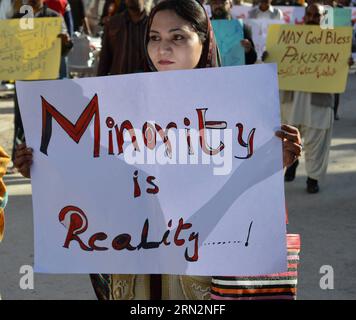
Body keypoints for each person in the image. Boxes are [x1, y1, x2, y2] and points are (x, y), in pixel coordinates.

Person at [14, 0, 302, 300]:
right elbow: (101, 177)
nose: (162, 49)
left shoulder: (237, 110)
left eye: (177, 37)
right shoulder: (123, 108)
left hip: (202, 271)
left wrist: (273, 164)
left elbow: (244, 199)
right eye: (154, 38)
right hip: (137, 262)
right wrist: (46, 168)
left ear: (204, 41)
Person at [281, 2, 353, 193]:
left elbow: (340, 66)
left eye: (317, 15)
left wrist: (346, 62)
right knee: (290, 135)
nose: (312, 18)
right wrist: (270, 55)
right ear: (304, 16)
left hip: (319, 101)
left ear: (323, 17)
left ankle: (313, 178)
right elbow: (276, 59)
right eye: (309, 15)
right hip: (293, 99)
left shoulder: (333, 40)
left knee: (318, 142)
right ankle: (291, 165)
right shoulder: (290, 38)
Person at [97, 0, 149, 76]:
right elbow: (104, 58)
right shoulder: (113, 23)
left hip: (146, 81)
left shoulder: (153, 24)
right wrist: (100, 82)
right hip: (119, 81)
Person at [210, 0, 257, 64]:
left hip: (235, 72)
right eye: (215, 2)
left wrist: (248, 50)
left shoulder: (242, 28)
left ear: (231, 4)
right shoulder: (204, 27)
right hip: (210, 72)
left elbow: (252, 59)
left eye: (222, 2)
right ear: (210, 5)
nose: (218, 5)